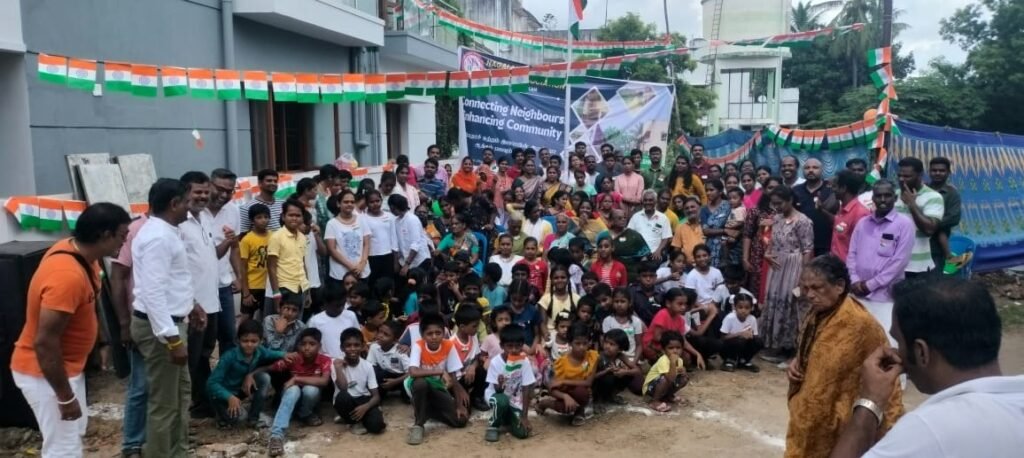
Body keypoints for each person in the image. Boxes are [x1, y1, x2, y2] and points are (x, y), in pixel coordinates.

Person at [831, 277, 1024, 458]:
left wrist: (870, 402)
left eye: (898, 341)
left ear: (921, 352)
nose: (895, 351)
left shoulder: (927, 430)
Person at [11, 203, 129, 457]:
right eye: (122, 235)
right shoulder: (66, 276)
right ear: (104, 235)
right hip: (44, 373)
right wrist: (64, 397)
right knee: (63, 449)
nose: (125, 241)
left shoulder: (84, 258)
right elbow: (45, 342)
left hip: (67, 368)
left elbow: (87, 305)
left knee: (74, 435)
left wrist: (100, 343)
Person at [783, 256, 904, 457]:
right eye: (805, 288)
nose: (810, 295)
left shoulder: (858, 324)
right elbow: (814, 349)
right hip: (816, 411)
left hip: (843, 415)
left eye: (817, 287)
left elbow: (885, 374)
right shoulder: (819, 312)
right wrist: (799, 361)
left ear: (839, 286)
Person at [129, 179, 196, 458]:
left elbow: (171, 282)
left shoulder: (167, 232)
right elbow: (153, 292)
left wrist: (192, 306)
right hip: (161, 329)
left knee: (180, 396)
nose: (190, 208)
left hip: (172, 323)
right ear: (174, 204)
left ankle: (178, 452)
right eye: (187, 202)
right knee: (165, 404)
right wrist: (172, 339)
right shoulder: (158, 237)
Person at [179, 171, 231, 418]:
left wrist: (228, 242)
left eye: (204, 191)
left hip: (212, 301)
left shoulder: (206, 219)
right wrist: (192, 303)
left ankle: (202, 402)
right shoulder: (180, 224)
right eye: (196, 192)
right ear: (185, 193)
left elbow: (211, 256)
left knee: (204, 354)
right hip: (193, 306)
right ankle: (187, 408)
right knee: (191, 359)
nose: (202, 196)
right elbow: (178, 269)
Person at [847, 180, 916, 346]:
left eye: (887, 195)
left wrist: (870, 285)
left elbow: (899, 262)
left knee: (886, 342)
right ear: (873, 198)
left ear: (895, 198)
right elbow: (851, 254)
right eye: (879, 196)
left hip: (885, 296)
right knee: (857, 341)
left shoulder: (904, 224)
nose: (883, 200)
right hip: (858, 294)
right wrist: (855, 280)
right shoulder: (863, 223)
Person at [108, 210, 149, 458]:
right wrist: (124, 323)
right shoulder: (134, 230)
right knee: (141, 384)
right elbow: (118, 276)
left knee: (166, 384)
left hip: (173, 320)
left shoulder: (179, 227)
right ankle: (132, 442)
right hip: (142, 320)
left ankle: (157, 434)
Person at [761, 186, 815, 364]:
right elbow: (772, 241)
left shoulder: (803, 221)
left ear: (790, 200)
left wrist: (804, 276)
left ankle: (793, 352)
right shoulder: (776, 219)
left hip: (794, 266)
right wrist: (767, 254)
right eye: (774, 204)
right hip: (777, 266)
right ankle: (778, 347)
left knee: (791, 305)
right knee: (776, 302)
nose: (776, 207)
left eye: (780, 203)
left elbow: (807, 250)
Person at [206, 320, 285, 429]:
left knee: (264, 378)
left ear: (261, 341)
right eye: (245, 341)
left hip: (239, 390)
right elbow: (211, 383)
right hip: (222, 396)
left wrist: (286, 355)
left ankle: (253, 417)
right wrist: (229, 397)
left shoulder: (259, 351)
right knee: (240, 418)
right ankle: (221, 417)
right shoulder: (229, 357)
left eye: (253, 341)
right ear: (238, 340)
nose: (249, 344)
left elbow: (271, 354)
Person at [405, 313, 470, 445]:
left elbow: (453, 376)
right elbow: (413, 372)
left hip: (437, 387)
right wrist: (440, 371)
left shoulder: (448, 345)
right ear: (423, 335)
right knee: (420, 383)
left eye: (438, 333)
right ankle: (418, 424)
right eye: (430, 333)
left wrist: (459, 405)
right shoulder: (418, 345)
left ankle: (428, 410)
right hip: (418, 385)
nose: (434, 337)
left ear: (443, 333)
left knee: (460, 421)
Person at [265, 328, 331, 456]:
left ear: (319, 346)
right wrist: (251, 374)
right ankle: (276, 436)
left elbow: (324, 381)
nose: (307, 348)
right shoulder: (294, 358)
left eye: (312, 344)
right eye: (303, 344)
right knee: (293, 390)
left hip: (309, 401)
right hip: (291, 399)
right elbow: (270, 368)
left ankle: (305, 414)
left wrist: (296, 378)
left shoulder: (324, 360)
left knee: (310, 389)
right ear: (298, 346)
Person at [536, 322, 598, 426]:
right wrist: (565, 396)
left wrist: (564, 381)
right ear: (570, 343)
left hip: (581, 391)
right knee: (565, 408)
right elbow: (552, 388)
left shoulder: (592, 357)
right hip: (564, 392)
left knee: (582, 392)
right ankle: (545, 403)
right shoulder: (562, 363)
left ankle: (579, 411)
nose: (582, 347)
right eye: (577, 343)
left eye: (585, 343)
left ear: (589, 342)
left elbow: (588, 382)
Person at [208, 168, 242, 355]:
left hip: (223, 285)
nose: (223, 195)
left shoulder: (233, 211)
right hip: (199, 287)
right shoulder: (194, 212)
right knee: (203, 340)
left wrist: (239, 277)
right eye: (219, 189)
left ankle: (226, 372)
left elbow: (235, 247)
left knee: (229, 336)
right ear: (209, 185)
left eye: (229, 191)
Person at [484, 325, 536, 442]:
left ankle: (507, 417)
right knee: (502, 401)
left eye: (518, 346)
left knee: (523, 433)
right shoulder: (496, 362)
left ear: (522, 346)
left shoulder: (524, 361)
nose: (514, 350)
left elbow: (526, 388)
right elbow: (497, 390)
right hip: (497, 396)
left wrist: (524, 417)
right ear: (502, 346)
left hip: (514, 400)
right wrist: (500, 383)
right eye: (510, 346)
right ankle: (493, 426)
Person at [894, 157, 945, 277]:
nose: (901, 180)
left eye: (907, 176)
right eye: (899, 176)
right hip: (893, 265)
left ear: (920, 175)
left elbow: (929, 229)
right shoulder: (893, 195)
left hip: (917, 266)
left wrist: (912, 204)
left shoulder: (933, 197)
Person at [332, 328, 387, 435]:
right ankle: (353, 422)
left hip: (363, 399)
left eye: (356, 345)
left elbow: (376, 396)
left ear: (362, 346)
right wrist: (338, 368)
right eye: (348, 345)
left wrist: (366, 407)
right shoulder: (336, 363)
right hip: (347, 399)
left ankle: (350, 417)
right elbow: (343, 388)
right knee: (343, 397)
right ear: (342, 348)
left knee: (377, 426)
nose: (352, 349)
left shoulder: (367, 366)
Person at [742, 177, 783, 303]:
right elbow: (747, 235)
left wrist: (775, 222)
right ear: (764, 190)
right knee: (757, 285)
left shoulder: (785, 212)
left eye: (777, 188)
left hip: (779, 253)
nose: (774, 191)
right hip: (758, 254)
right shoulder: (755, 211)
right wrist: (745, 258)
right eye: (770, 188)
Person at [268, 199, 311, 314]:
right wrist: (276, 294)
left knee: (296, 322)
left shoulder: (302, 237)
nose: (294, 218)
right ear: (283, 217)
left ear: (302, 218)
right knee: (284, 321)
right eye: (291, 215)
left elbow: (302, 264)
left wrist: (307, 290)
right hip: (285, 288)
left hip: (301, 287)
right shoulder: (277, 237)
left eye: (298, 215)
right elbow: (271, 267)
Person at [792, 158, 838, 257]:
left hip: (825, 244)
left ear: (822, 170)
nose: (811, 170)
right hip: (800, 245)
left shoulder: (831, 189)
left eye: (815, 167)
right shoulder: (796, 190)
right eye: (807, 168)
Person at [307, 283, 359, 359]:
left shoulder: (350, 316)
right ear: (326, 304)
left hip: (349, 359)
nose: (341, 308)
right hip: (326, 362)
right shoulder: (315, 321)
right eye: (337, 306)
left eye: (343, 304)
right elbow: (311, 345)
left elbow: (357, 338)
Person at [829, 169, 871, 262]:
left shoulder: (860, 214)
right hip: (835, 266)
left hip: (848, 267)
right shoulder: (842, 208)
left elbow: (863, 247)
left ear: (843, 188)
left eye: (835, 186)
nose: (832, 189)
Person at [642, 331, 690, 413]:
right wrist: (672, 363)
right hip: (650, 389)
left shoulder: (680, 360)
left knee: (684, 379)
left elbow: (677, 376)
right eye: (671, 348)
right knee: (664, 379)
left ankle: (668, 396)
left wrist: (683, 373)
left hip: (664, 385)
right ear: (664, 350)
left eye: (678, 348)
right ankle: (654, 401)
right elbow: (669, 378)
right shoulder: (663, 360)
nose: (675, 351)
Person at [599, 208, 651, 283]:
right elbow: (600, 254)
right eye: (619, 218)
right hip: (610, 269)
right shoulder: (604, 235)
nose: (623, 220)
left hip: (631, 270)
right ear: (612, 220)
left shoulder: (633, 235)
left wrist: (642, 271)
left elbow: (644, 256)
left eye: (624, 218)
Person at [928, 156, 961, 270]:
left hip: (936, 247)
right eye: (934, 170)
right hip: (917, 243)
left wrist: (930, 224)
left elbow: (954, 218)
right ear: (929, 172)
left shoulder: (952, 194)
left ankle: (948, 256)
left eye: (942, 171)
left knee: (935, 276)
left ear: (948, 172)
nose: (937, 173)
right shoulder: (922, 190)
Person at [239, 204, 270, 320]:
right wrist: (246, 292)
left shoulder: (274, 236)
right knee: (246, 318)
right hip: (252, 286)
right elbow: (243, 267)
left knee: (266, 317)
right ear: (252, 220)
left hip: (269, 286)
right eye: (259, 217)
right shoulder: (247, 240)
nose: (263, 220)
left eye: (266, 217)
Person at [362, 190, 398, 287]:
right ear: (367, 203)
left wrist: (395, 260)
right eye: (371, 202)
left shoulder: (390, 217)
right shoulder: (363, 218)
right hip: (371, 257)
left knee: (387, 285)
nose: (375, 204)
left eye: (377, 201)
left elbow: (394, 239)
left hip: (388, 256)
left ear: (381, 201)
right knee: (373, 284)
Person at [718, 293, 762, 372]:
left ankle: (744, 360)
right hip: (728, 346)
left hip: (743, 345)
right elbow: (722, 338)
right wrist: (739, 334)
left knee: (758, 342)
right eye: (740, 307)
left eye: (747, 308)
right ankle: (729, 361)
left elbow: (755, 336)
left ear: (751, 308)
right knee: (739, 341)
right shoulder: (730, 318)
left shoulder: (752, 319)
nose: (743, 311)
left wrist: (750, 335)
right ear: (735, 307)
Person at [367, 320, 409, 400]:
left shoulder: (400, 351)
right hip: (386, 375)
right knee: (375, 372)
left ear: (395, 340)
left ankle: (405, 394)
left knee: (407, 397)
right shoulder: (374, 347)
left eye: (386, 334)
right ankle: (379, 395)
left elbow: (411, 372)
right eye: (380, 331)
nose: (380, 336)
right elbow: (370, 367)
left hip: (401, 377)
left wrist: (395, 381)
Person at [627, 190, 673, 262]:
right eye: (645, 200)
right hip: (638, 254)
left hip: (655, 254)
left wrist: (658, 251)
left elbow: (666, 238)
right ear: (642, 202)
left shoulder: (663, 218)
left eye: (650, 200)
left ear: (655, 201)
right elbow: (629, 235)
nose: (648, 202)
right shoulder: (636, 217)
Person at [700, 179, 732, 268]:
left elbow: (733, 224)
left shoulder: (728, 205)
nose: (708, 193)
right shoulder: (704, 209)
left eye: (711, 190)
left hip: (727, 246)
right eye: (707, 190)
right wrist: (724, 230)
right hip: (710, 247)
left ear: (720, 191)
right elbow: (705, 231)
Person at [671, 196, 704, 268]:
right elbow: (676, 251)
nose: (690, 210)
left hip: (706, 265)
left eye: (692, 207)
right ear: (684, 211)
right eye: (687, 208)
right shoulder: (680, 227)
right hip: (687, 268)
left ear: (699, 207)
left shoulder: (706, 224)